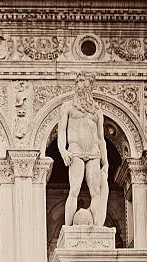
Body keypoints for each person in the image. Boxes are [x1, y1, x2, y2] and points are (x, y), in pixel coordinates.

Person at [57, 72, 109, 226]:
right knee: (74, 190)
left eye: (85, 83)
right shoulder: (67, 107)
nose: (82, 86)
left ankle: (98, 227)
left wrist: (105, 162)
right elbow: (61, 131)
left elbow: (101, 139)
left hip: (94, 153)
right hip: (75, 151)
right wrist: (62, 150)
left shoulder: (96, 111)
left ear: (90, 87)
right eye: (79, 82)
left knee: (96, 192)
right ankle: (67, 228)